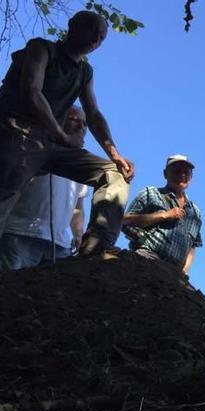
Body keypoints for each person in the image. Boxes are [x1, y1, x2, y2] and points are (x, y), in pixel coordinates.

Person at [0, 11, 133, 256]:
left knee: (114, 174)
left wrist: (114, 154)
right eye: (91, 29)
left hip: (54, 144)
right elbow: (32, 91)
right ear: (72, 26)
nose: (96, 39)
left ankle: (94, 252)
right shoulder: (41, 49)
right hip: (17, 134)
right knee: (6, 189)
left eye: (102, 37)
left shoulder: (85, 72)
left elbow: (93, 114)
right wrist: (62, 135)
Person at [0, 107, 88, 269]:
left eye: (84, 124)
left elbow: (77, 207)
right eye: (74, 119)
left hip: (59, 244)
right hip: (20, 233)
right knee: (10, 288)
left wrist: (77, 233)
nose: (80, 126)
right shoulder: (34, 148)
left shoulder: (79, 165)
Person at [123, 155, 201, 273]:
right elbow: (124, 221)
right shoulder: (150, 194)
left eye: (186, 172)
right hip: (147, 257)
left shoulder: (195, 212)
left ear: (191, 177)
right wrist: (163, 215)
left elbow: (193, 244)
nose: (182, 175)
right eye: (177, 171)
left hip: (175, 271)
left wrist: (185, 270)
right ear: (165, 174)